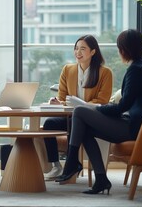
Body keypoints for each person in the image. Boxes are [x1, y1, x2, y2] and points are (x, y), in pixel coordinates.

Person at [55, 29, 142, 195]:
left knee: (80, 112)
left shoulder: (136, 71)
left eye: (120, 48)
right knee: (84, 127)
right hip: (135, 124)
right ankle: (101, 179)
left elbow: (122, 106)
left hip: (134, 128)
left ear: (125, 49)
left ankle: (71, 162)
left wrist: (99, 108)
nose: (119, 52)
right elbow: (126, 105)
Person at [43, 34, 113, 180]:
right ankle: (56, 166)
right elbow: (62, 98)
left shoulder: (105, 73)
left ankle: (71, 164)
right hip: (70, 117)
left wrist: (81, 106)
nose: (78, 52)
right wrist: (57, 102)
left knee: (74, 126)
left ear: (93, 52)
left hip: (91, 119)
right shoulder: (68, 70)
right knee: (49, 123)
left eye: (83, 49)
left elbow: (103, 100)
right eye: (76, 49)